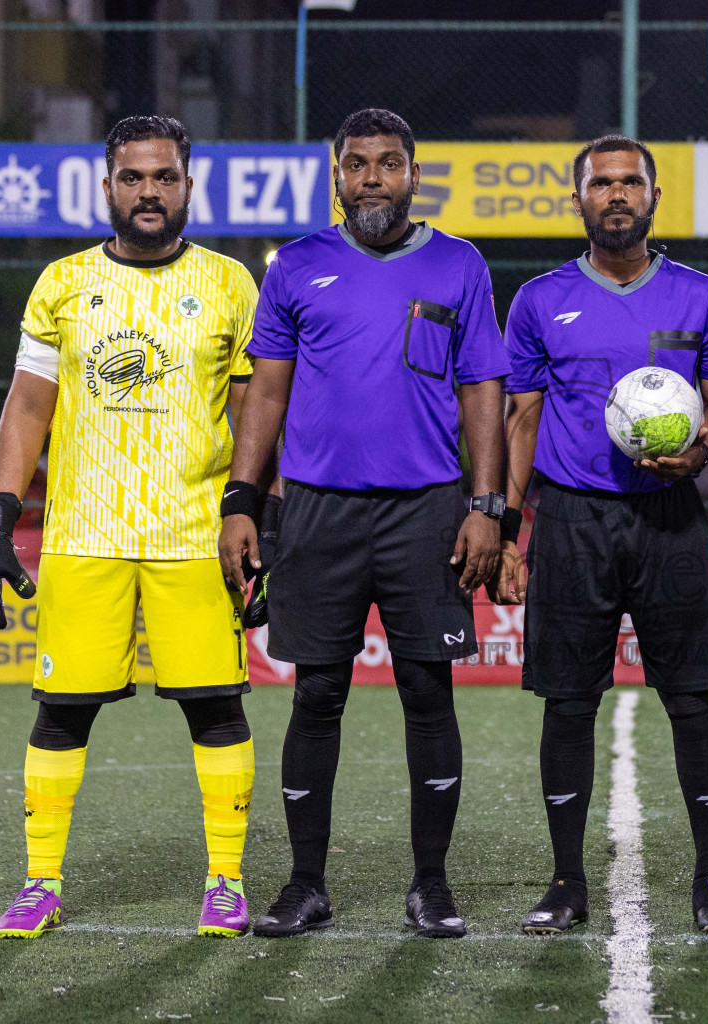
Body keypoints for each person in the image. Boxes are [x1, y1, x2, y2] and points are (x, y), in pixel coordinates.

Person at [0, 115, 261, 940]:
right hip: (83, 532)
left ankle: (227, 880)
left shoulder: (233, 284)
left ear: (188, 186)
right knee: (62, 710)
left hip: (194, 534)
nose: (149, 192)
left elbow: (253, 412)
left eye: (164, 177)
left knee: (215, 708)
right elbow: (28, 405)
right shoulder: (60, 284)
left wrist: (259, 513)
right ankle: (41, 880)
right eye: (133, 178)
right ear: (108, 188)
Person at [219, 108, 508, 940]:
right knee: (317, 693)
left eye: (388, 163)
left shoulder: (460, 264)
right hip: (315, 511)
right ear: (336, 177)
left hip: (427, 511)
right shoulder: (297, 267)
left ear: (415, 174)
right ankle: (306, 884)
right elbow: (265, 392)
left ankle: (432, 886)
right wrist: (244, 501)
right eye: (357, 165)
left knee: (427, 691)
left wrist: (487, 507)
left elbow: (482, 392)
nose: (372, 177)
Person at [496, 135, 708, 936]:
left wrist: (703, 451)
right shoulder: (539, 299)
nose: (615, 195)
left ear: (652, 197)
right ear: (577, 200)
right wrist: (507, 524)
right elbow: (522, 417)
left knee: (693, 700)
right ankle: (567, 880)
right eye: (600, 184)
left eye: (629, 183)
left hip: (671, 517)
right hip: (572, 519)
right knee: (567, 704)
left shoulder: (700, 296)